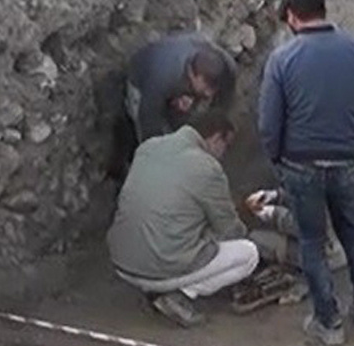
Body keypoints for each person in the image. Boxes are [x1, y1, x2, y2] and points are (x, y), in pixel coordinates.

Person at [259, 0, 354, 346]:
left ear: (292, 17)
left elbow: (270, 123)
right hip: (346, 160)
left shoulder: (282, 60)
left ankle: (328, 323)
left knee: (312, 243)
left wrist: (278, 160)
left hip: (301, 165)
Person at [107, 110, 260, 327]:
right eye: (226, 146)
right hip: (158, 269)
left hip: (123, 262)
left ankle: (161, 288)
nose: (223, 154)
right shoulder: (208, 167)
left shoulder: (148, 147)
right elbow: (230, 230)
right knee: (248, 254)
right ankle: (179, 294)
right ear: (216, 138)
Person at [126, 32, 236, 144]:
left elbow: (225, 98)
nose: (209, 94)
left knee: (182, 118)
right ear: (194, 75)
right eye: (207, 88)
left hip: (175, 81)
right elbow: (148, 118)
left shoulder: (225, 64)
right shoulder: (162, 77)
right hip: (142, 83)